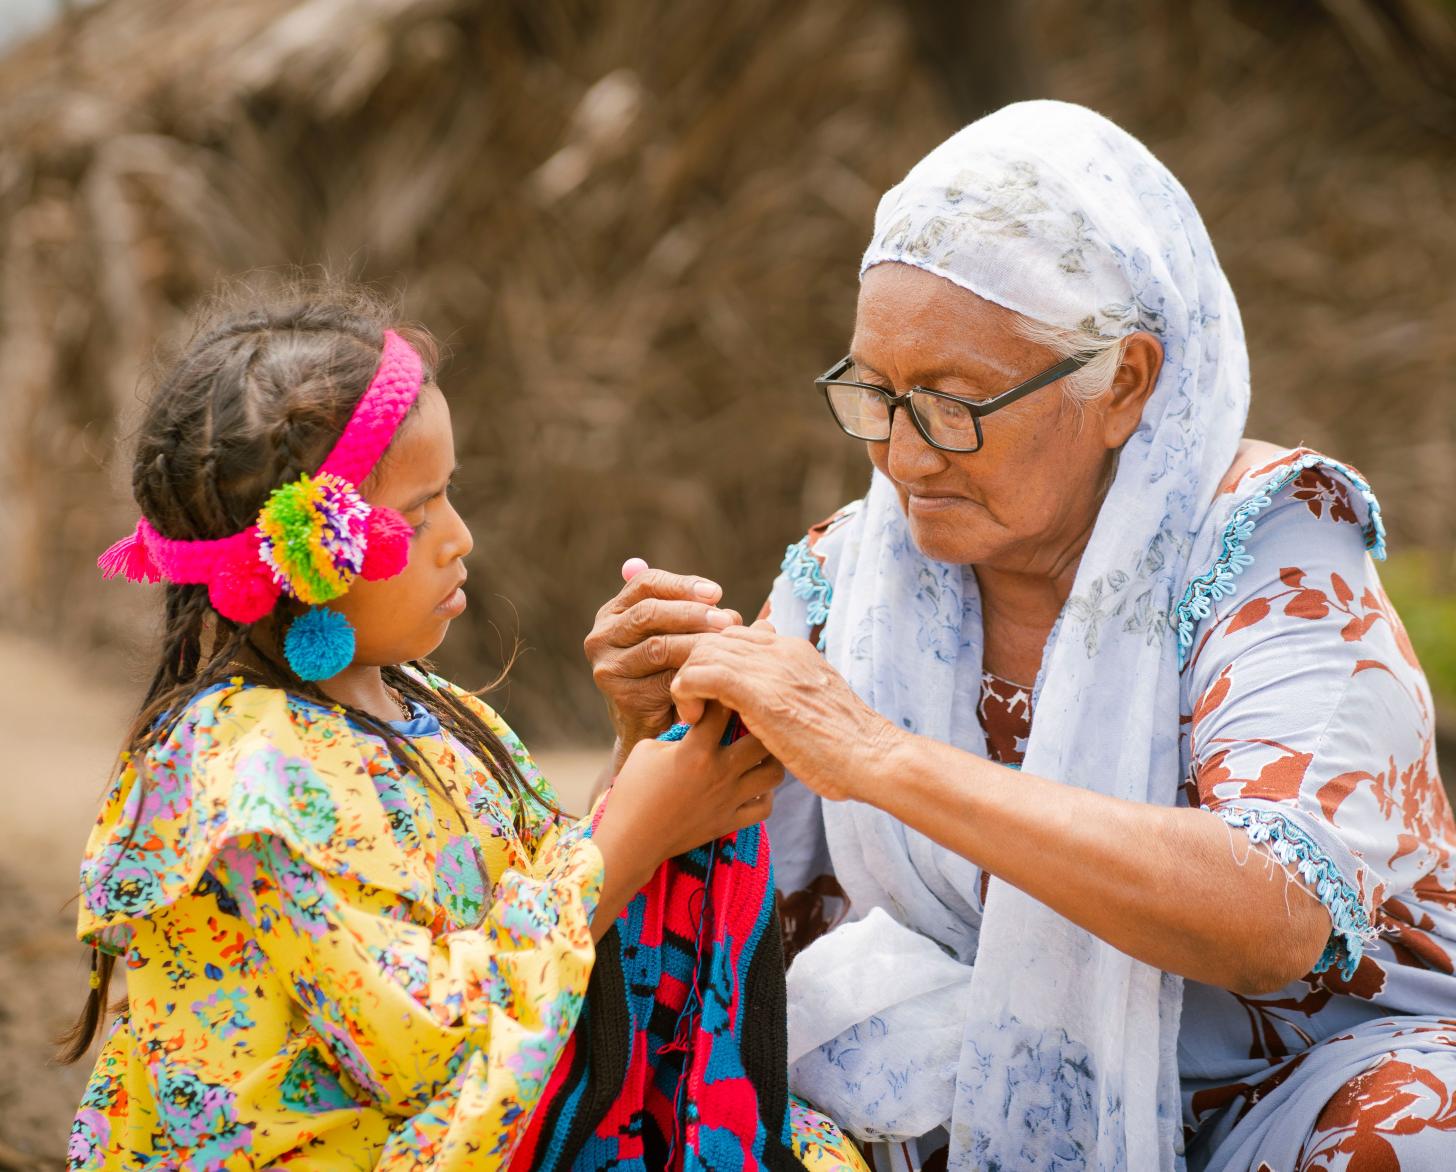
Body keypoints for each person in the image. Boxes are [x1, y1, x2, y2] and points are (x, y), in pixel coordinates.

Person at [584, 102, 1456, 1170]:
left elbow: (1277, 912)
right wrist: (650, 735)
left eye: (954, 406)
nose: (903, 456)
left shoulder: (1265, 545)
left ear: (1123, 383)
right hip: (954, 1083)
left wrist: (885, 759)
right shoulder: (851, 575)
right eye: (874, 394)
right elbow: (688, 906)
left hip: (1286, 1095)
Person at [62, 285, 866, 1171]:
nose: (461, 539)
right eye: (416, 516)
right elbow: (426, 1047)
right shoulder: (246, 779)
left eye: (452, 494)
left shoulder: (420, 706)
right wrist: (635, 834)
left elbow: (526, 894)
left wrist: (642, 747)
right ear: (305, 563)